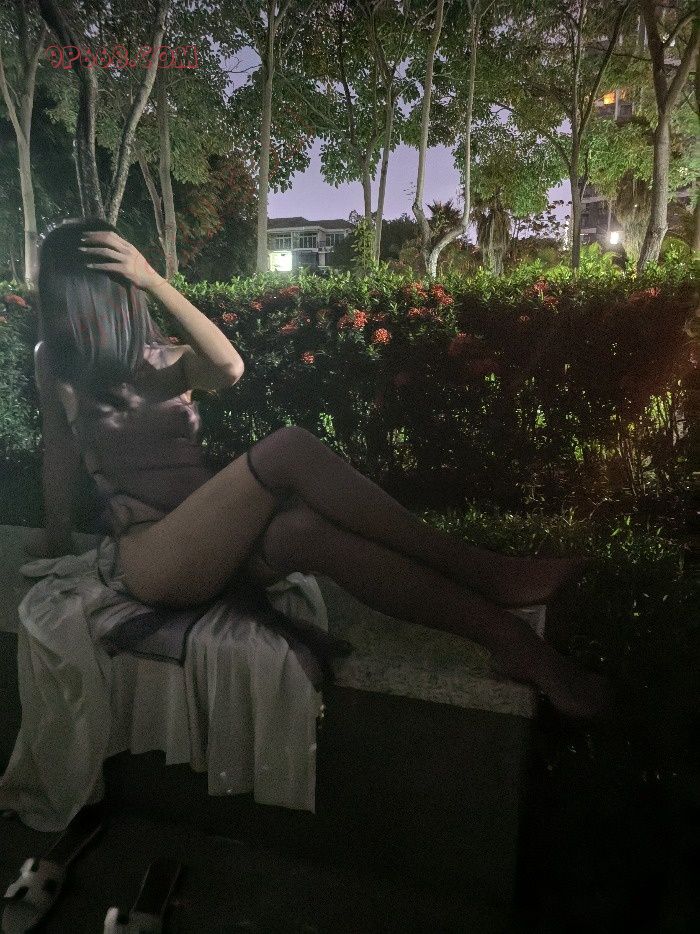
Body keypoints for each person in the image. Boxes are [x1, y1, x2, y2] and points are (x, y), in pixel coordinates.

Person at [29, 216, 612, 719]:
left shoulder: (168, 358)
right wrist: (54, 541)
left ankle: (510, 642)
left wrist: (157, 281)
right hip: (155, 558)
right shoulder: (55, 364)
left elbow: (230, 367)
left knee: (309, 533)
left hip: (219, 547)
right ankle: (486, 571)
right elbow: (58, 459)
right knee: (287, 448)